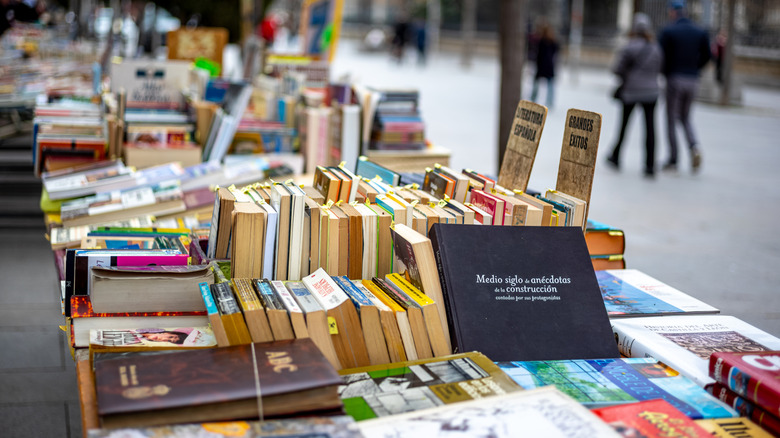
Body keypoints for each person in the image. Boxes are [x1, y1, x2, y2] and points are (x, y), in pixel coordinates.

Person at [606, 13, 663, 178]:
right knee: (650, 129)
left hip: (631, 91)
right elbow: (661, 67)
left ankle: (616, 157)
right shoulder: (656, 48)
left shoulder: (629, 47)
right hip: (652, 92)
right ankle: (650, 165)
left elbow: (616, 69)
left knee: (624, 126)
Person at [658, 0, 711, 172]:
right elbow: (708, 55)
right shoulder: (699, 31)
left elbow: (660, 56)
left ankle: (673, 159)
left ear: (672, 12)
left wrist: (666, 72)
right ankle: (694, 146)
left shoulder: (669, 31)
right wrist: (696, 68)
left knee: (671, 119)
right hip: (693, 80)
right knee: (686, 117)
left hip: (675, 79)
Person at [530, 22, 559, 108]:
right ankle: (548, 101)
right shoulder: (551, 42)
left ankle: (535, 99)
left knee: (539, 84)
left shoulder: (543, 42)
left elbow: (538, 54)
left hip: (543, 66)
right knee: (548, 85)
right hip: (548, 66)